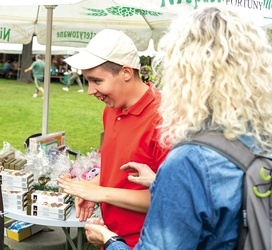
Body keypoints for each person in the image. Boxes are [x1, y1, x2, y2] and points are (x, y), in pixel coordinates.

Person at [82, 6, 272, 249]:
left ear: (184, 72)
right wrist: (159, 182)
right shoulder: (261, 135)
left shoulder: (190, 160)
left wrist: (108, 240)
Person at [57, 29, 169, 248]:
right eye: (87, 81)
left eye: (97, 80)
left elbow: (170, 199)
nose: (91, 91)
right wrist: (92, 186)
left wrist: (101, 193)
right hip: (112, 237)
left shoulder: (164, 118)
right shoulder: (111, 110)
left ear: (126, 72)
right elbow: (119, 168)